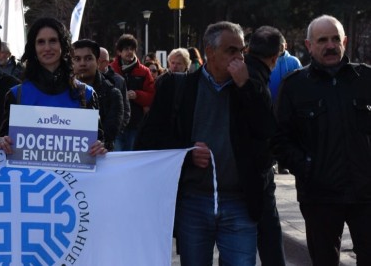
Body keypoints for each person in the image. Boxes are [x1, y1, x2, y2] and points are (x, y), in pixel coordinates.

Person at [136, 21, 271, 266]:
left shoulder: (252, 87)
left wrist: (246, 87)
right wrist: (187, 154)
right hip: (193, 202)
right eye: (231, 50)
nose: (239, 57)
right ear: (209, 51)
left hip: (239, 202)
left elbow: (267, 132)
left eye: (242, 50)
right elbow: (149, 139)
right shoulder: (178, 87)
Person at [273, 15, 371, 266]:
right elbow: (280, 140)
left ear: (345, 41)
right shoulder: (295, 86)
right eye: (322, 40)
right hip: (320, 196)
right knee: (324, 261)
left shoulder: (366, 79)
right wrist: (308, 168)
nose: (330, 45)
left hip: (366, 193)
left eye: (335, 39)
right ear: (309, 45)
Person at [0, 18, 106, 157]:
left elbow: (99, 141)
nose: (47, 48)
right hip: (29, 177)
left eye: (53, 40)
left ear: (63, 44)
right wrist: (1, 142)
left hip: (75, 177)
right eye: (41, 42)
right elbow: (3, 141)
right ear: (33, 48)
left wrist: (99, 147)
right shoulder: (16, 94)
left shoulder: (85, 94)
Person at [245, 26, 286, 266]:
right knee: (269, 236)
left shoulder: (244, 71)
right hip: (256, 172)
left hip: (237, 171)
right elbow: (266, 126)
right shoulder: (255, 78)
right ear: (274, 57)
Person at [73, 39, 123, 150]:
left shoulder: (112, 93)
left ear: (98, 62)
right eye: (77, 59)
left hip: (101, 158)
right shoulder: (59, 92)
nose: (82, 63)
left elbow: (110, 131)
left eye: (88, 58)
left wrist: (100, 144)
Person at [109, 34, 155, 151]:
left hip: (136, 124)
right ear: (119, 52)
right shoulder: (110, 70)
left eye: (132, 49)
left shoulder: (144, 71)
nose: (129, 52)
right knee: (117, 159)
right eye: (126, 49)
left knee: (132, 156)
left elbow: (152, 96)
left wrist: (137, 95)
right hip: (115, 124)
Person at [99, 47, 130, 134]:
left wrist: (118, 127)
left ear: (105, 62)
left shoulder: (119, 80)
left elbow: (126, 108)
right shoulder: (88, 79)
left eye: (98, 60)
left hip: (114, 134)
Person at [269, 34, 302, 102]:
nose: (278, 47)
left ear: (285, 45)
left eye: (281, 45)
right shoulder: (268, 61)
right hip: (270, 102)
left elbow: (301, 80)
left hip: (291, 102)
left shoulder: (294, 61)